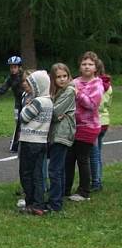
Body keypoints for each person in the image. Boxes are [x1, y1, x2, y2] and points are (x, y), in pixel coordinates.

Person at [66, 51, 104, 202]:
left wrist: (78, 93)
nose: (87, 67)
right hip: (71, 126)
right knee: (68, 158)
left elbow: (92, 105)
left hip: (88, 126)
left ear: (95, 67)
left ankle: (84, 191)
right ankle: (65, 189)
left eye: (90, 64)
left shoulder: (97, 84)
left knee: (82, 158)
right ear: (79, 66)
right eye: (84, 64)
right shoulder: (74, 81)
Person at [16, 70, 53, 215]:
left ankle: (30, 202)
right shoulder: (49, 101)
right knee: (38, 174)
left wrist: (26, 105)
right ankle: (39, 203)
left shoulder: (38, 101)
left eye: (32, 84)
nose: (29, 87)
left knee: (26, 173)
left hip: (30, 140)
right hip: (42, 141)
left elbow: (23, 117)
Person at [46, 63, 76, 213]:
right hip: (56, 132)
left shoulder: (69, 91)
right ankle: (59, 196)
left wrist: (53, 112)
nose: (62, 79)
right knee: (59, 167)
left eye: (65, 76)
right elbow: (55, 114)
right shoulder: (55, 92)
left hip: (62, 133)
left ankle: (55, 203)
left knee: (54, 169)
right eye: (58, 77)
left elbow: (54, 111)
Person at [0, 56, 25, 151]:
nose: (13, 69)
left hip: (27, 101)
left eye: (15, 67)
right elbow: (3, 88)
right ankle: (18, 139)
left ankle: (18, 142)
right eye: (11, 67)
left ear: (19, 67)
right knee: (18, 120)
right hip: (18, 102)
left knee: (25, 121)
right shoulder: (10, 78)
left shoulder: (24, 77)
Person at [90, 59, 112, 191]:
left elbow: (95, 104)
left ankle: (96, 181)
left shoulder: (96, 85)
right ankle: (98, 178)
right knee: (97, 153)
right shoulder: (108, 85)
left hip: (96, 121)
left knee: (93, 154)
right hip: (105, 120)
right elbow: (108, 104)